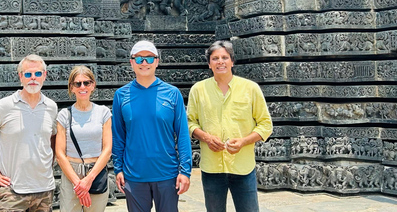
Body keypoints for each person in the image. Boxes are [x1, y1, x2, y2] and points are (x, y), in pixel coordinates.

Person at [187, 40, 273, 212]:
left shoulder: (250, 88)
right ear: (209, 64)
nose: (220, 62)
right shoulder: (198, 90)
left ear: (232, 62)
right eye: (215, 58)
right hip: (212, 167)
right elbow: (190, 122)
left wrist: (244, 141)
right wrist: (206, 138)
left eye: (225, 57)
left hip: (242, 166)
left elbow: (265, 125)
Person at [112, 40, 192, 212]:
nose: (145, 63)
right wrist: (118, 168)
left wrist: (185, 171)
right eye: (139, 59)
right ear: (131, 62)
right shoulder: (121, 95)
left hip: (167, 174)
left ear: (157, 61)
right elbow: (118, 136)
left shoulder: (172, 94)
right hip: (134, 175)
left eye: (149, 58)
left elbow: (183, 135)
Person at [0, 54, 58, 212]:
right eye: (28, 74)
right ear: (21, 76)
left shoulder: (51, 107)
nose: (33, 78)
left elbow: (53, 137)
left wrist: (48, 164)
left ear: (44, 76)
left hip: (44, 190)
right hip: (13, 191)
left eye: (38, 73)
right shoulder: (4, 106)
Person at [55, 66, 112, 212]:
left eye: (86, 83)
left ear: (93, 85)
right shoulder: (64, 115)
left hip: (96, 171)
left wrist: (88, 179)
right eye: (77, 83)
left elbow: (107, 149)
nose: (82, 87)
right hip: (71, 172)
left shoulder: (103, 112)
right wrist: (78, 183)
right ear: (71, 87)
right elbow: (60, 153)